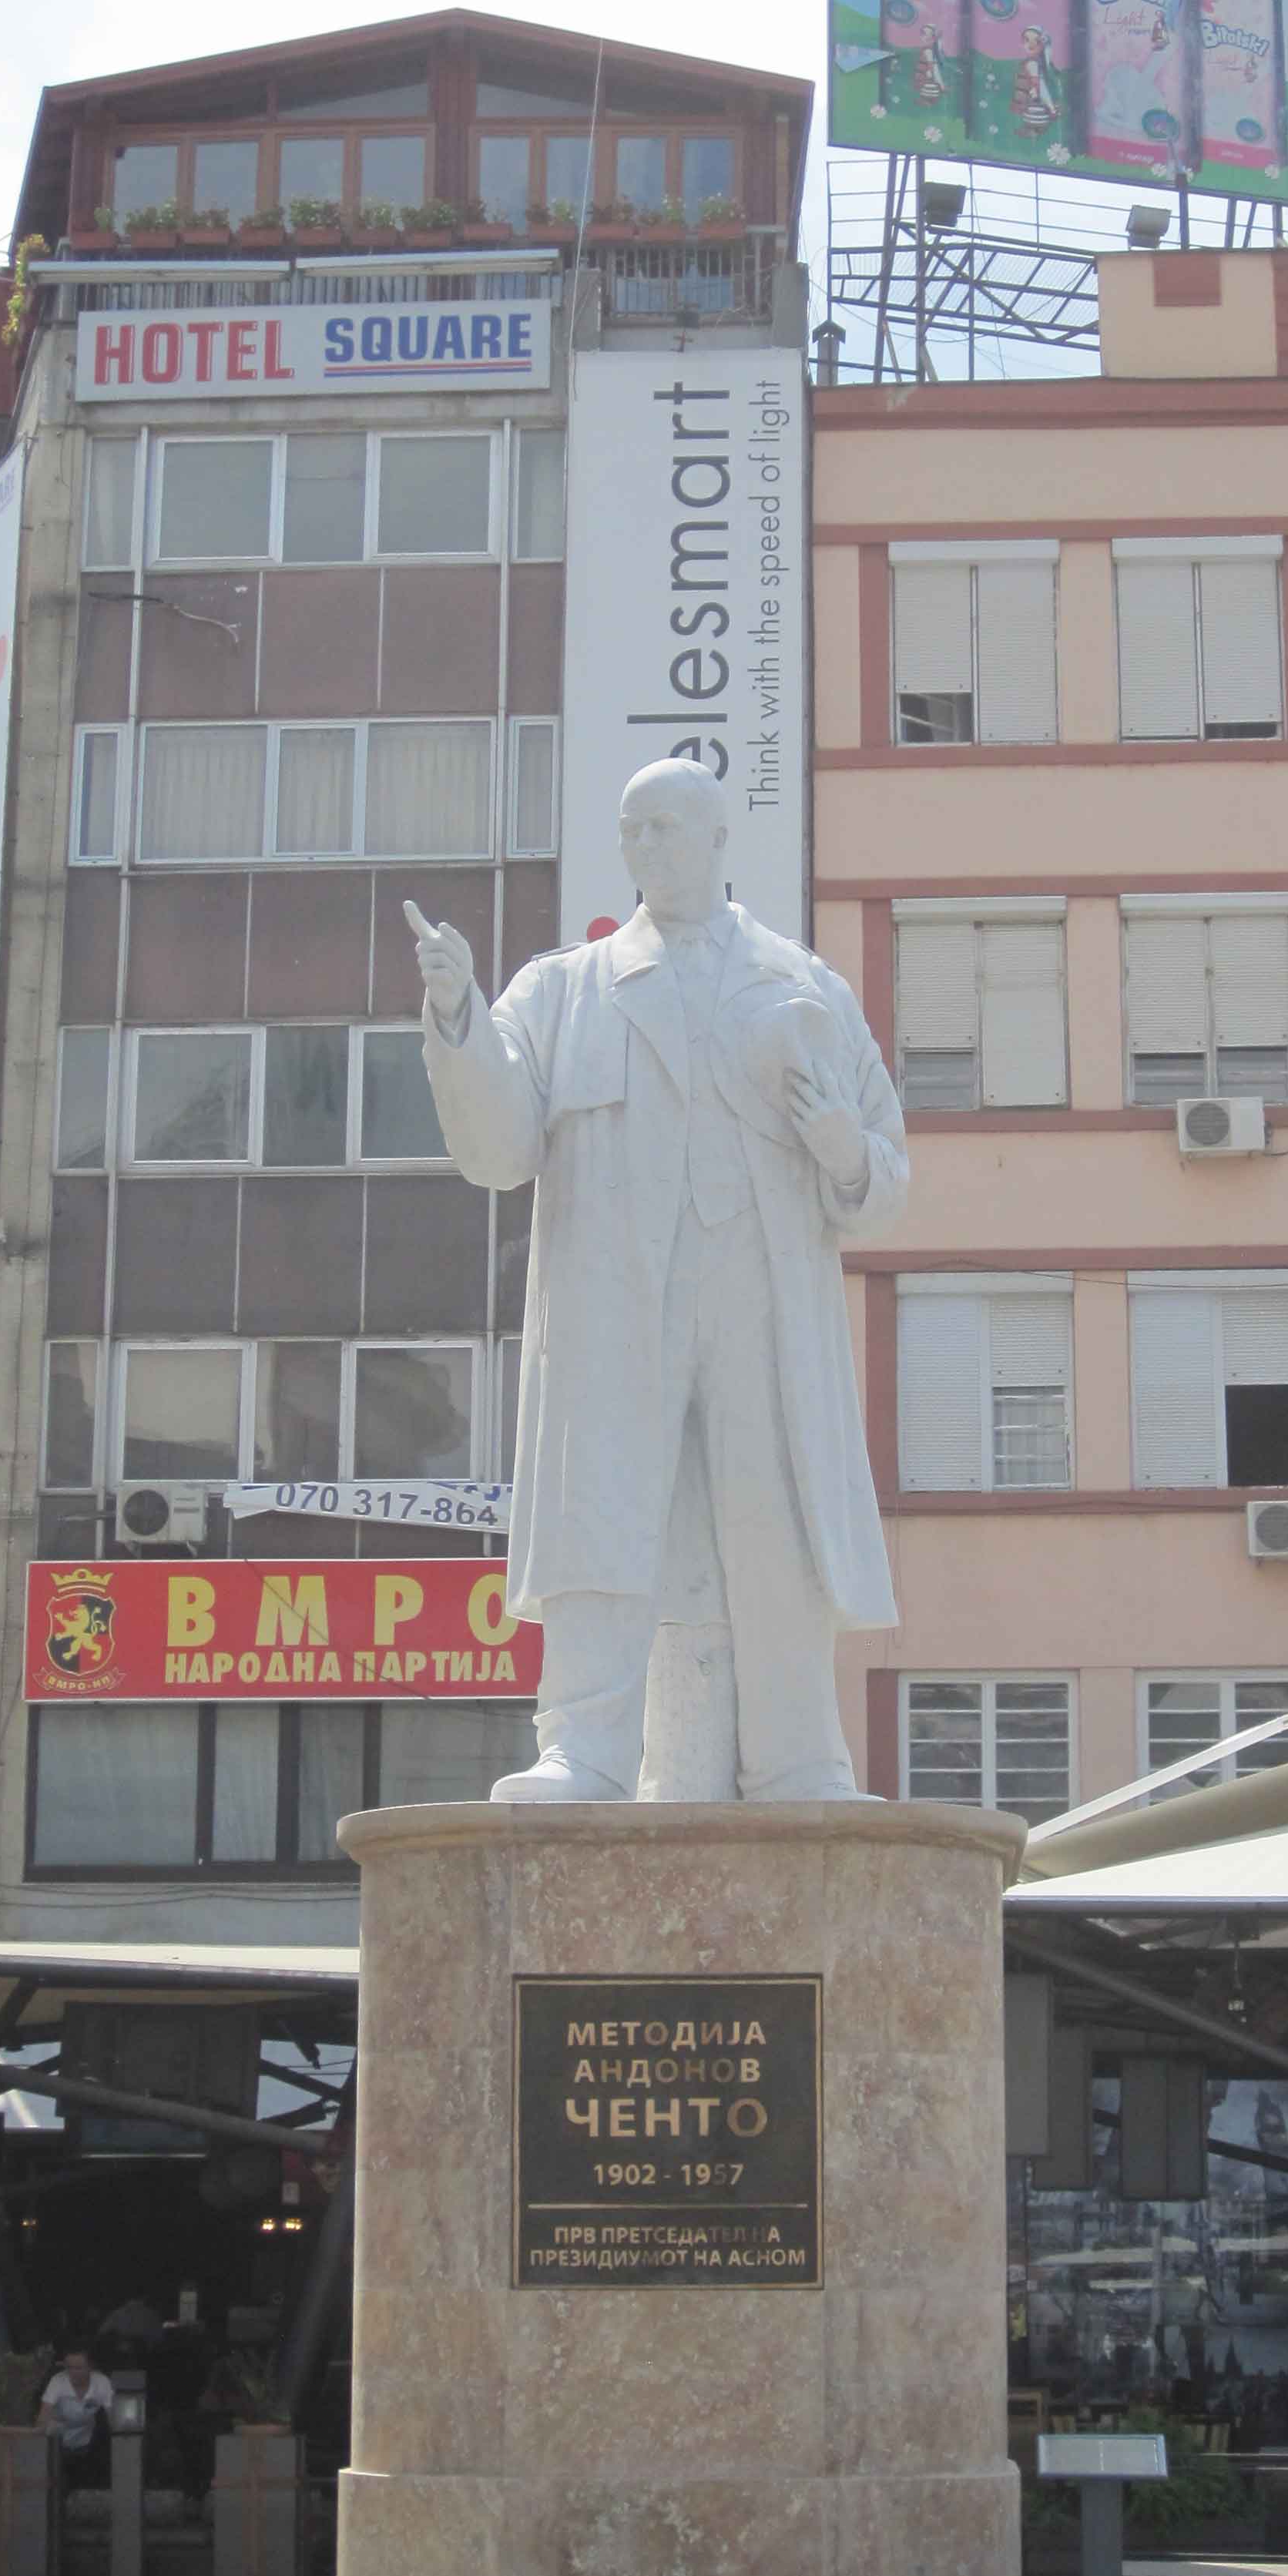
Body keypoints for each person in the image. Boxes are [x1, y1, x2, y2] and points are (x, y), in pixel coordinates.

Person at [411, 757, 908, 1803]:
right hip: (614, 1300)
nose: (645, 846)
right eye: (632, 829)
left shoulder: (806, 989)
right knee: (601, 1511)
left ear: (719, 839)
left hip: (760, 1296)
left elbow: (884, 1180)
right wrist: (458, 1020)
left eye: (667, 827)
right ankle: (584, 1751)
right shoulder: (564, 989)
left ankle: (798, 1758)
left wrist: (841, 1147)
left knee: (777, 1519)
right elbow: (499, 1149)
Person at [38, 2346, 116, 2484]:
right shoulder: (58, 2381)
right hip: (57, 2444)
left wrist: (119, 2443)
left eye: (79, 2368)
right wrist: (37, 2442)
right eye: (69, 2368)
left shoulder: (102, 2382)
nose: (73, 2372)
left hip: (87, 2444)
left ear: (90, 2367)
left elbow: (112, 2418)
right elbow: (44, 2414)